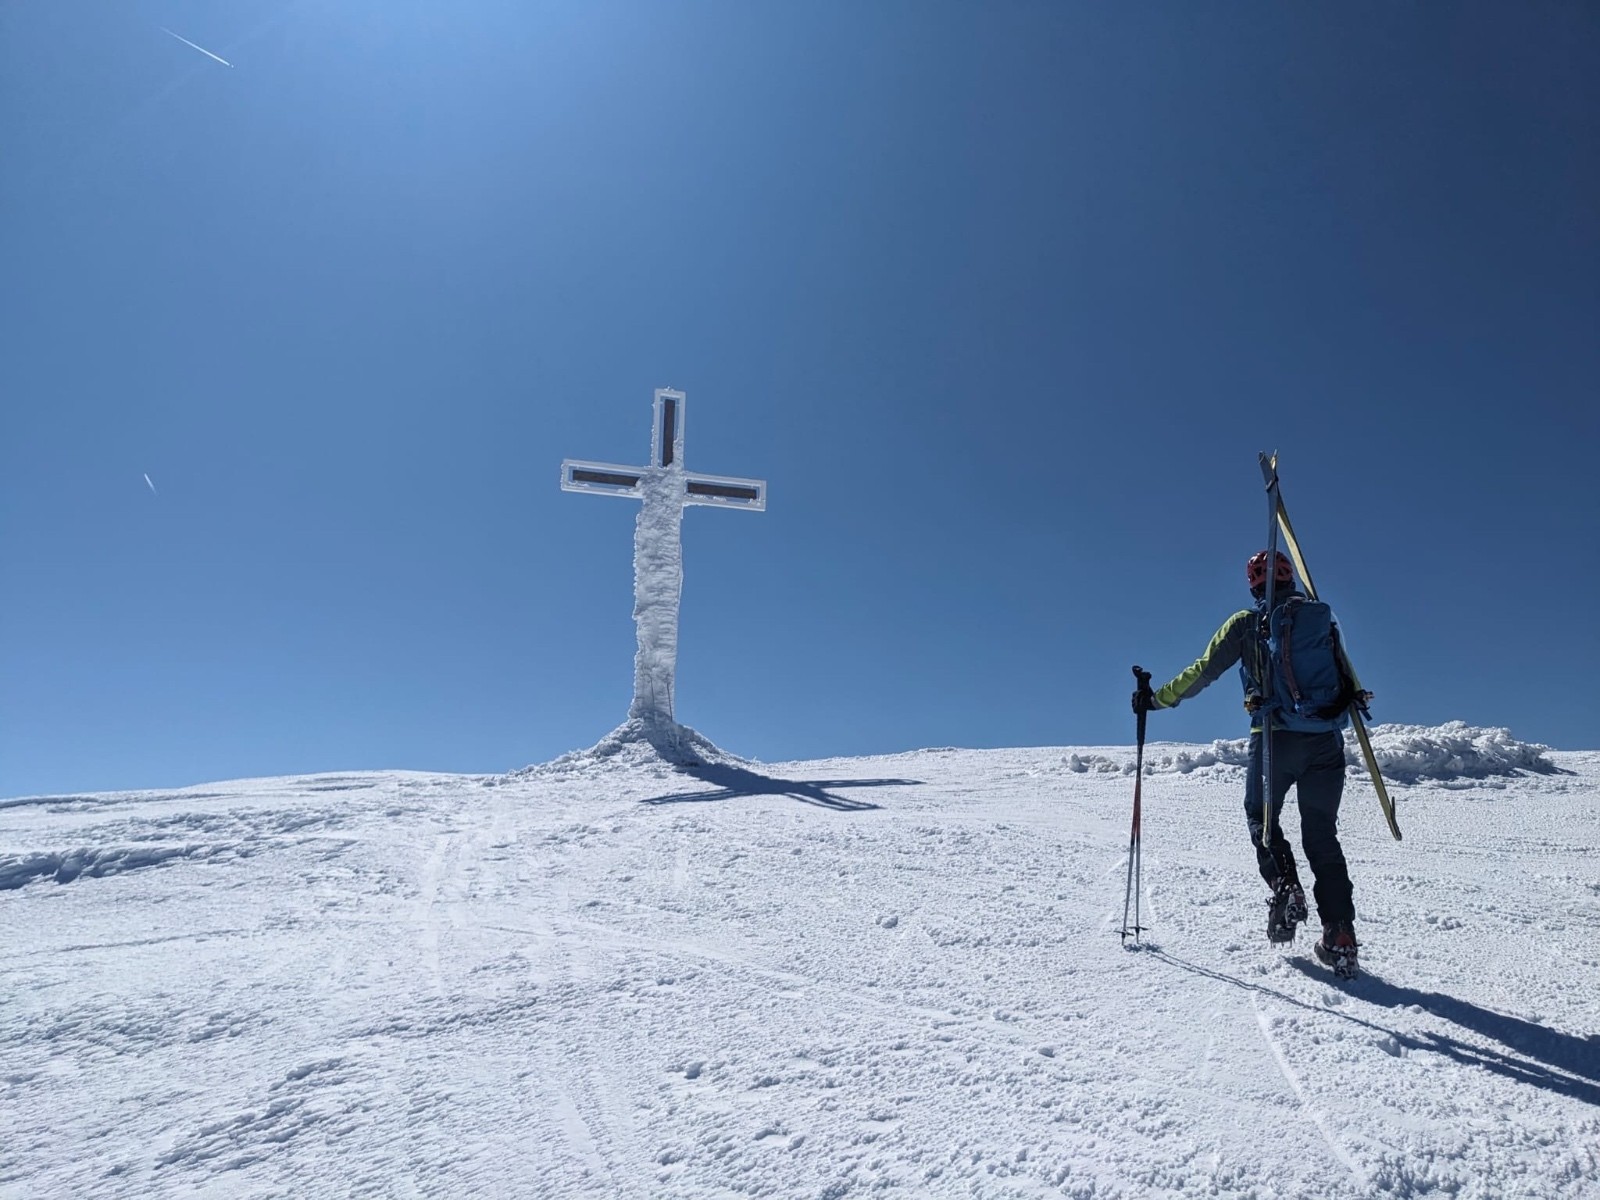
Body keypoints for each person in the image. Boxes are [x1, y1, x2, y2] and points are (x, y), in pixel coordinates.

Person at [1132, 550, 1361, 975]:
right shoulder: (1323, 619)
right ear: (1290, 579)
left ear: (1253, 584)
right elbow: (1347, 674)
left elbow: (1203, 671)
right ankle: (1340, 936)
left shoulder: (1246, 624)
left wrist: (1156, 700)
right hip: (1325, 742)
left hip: (1274, 739)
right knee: (1322, 836)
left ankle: (1285, 886)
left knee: (1261, 817)